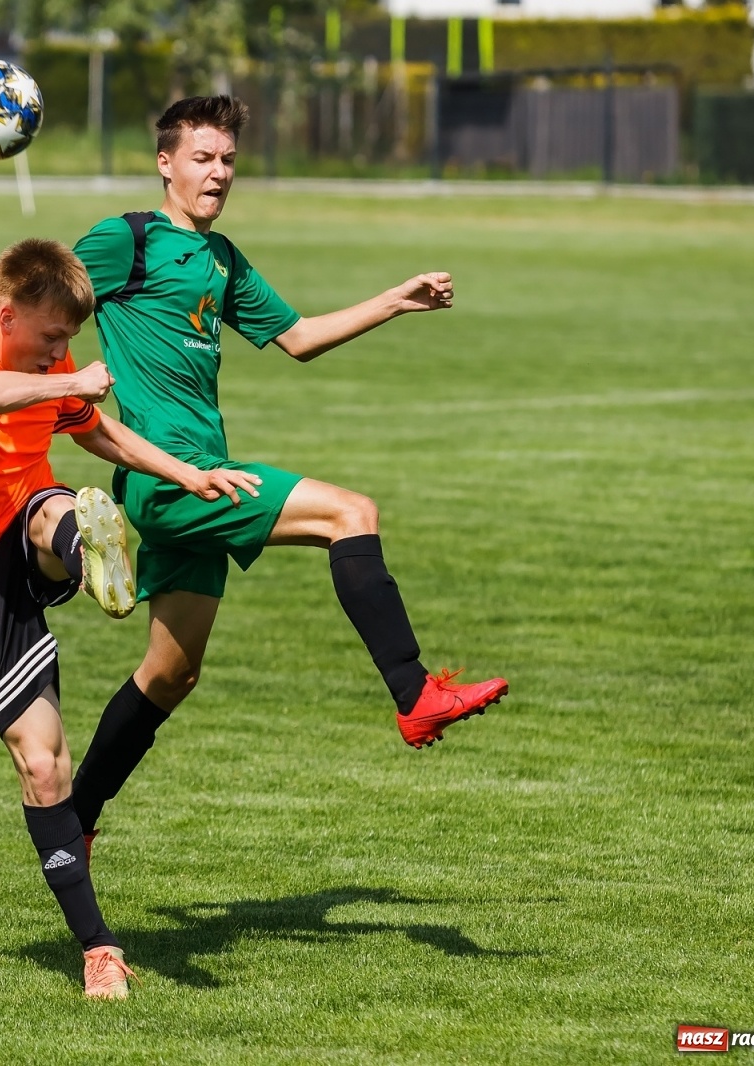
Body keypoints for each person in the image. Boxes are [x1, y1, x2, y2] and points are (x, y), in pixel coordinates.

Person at [67, 96, 509, 847]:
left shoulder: (221, 258)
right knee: (350, 513)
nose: (218, 173)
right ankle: (414, 692)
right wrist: (56, 379)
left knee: (171, 674)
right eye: (202, 158)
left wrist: (395, 302)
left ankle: (72, 820)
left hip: (200, 477)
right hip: (174, 480)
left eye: (229, 160)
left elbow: (299, 337)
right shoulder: (126, 242)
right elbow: (38, 298)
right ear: (165, 163)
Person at [0, 238, 260, 998]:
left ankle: (85, 546)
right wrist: (62, 384)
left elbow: (94, 430)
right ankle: (98, 948)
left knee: (52, 506)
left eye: (69, 341)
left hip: (28, 523)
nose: (62, 353)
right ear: (7, 313)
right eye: (50, 338)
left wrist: (187, 472)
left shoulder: (51, 371)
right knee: (43, 763)